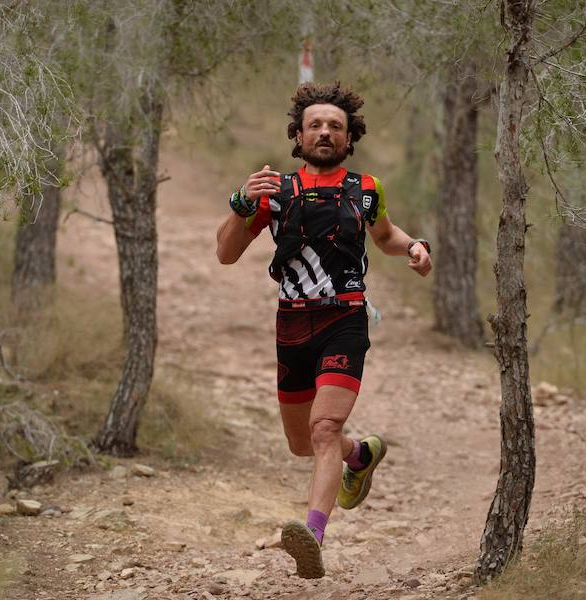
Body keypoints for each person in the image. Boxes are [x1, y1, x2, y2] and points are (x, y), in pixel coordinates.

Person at [215, 82, 432, 579]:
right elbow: (225, 253)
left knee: (324, 428)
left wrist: (415, 247)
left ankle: (311, 536)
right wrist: (240, 203)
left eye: (335, 125)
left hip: (345, 320)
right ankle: (361, 457)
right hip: (291, 323)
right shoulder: (275, 193)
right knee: (301, 443)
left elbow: (385, 235)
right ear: (298, 134)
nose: (325, 132)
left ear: (350, 137)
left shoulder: (365, 190)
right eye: (315, 124)